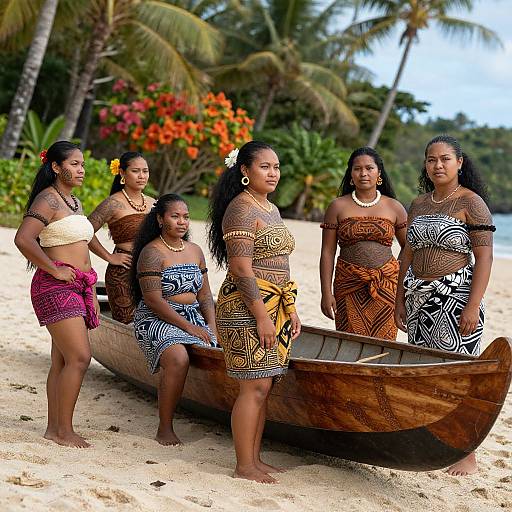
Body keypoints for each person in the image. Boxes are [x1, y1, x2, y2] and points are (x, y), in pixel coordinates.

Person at [395, 134, 494, 476]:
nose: (438, 165)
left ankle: (466, 454)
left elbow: (484, 257)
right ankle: (430, 443)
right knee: (422, 373)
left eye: (445, 159)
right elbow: (406, 254)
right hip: (418, 298)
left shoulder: (472, 202)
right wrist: (399, 299)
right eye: (431, 159)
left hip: (457, 299)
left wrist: (473, 304)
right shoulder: (419, 204)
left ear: (460, 163)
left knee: (458, 376)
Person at [208, 141, 301, 484]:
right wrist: (262, 315)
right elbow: (242, 268)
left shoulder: (270, 209)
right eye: (265, 166)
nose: (273, 173)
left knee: (266, 385)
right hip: (247, 306)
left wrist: (289, 309)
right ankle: (243, 465)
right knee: (255, 386)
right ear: (245, 171)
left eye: (276, 167)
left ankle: (255, 459)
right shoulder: (241, 209)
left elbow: (281, 265)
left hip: (275, 305)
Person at [14, 141, 99, 448]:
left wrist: (89, 292)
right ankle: (64, 430)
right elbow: (23, 238)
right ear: (55, 167)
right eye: (75, 164)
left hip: (78, 287)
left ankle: (55, 429)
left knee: (62, 360)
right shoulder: (48, 199)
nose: (81, 170)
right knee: (80, 357)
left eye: (83, 164)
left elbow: (82, 244)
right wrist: (53, 269)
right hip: (54, 286)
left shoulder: (73, 202)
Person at [131, 193, 217, 445]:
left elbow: (205, 294)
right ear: (160, 219)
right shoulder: (152, 253)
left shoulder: (195, 251)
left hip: (193, 315)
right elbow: (153, 300)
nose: (182, 222)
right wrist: (190, 328)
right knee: (179, 358)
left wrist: (211, 325)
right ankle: (165, 428)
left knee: (220, 346)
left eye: (186, 217)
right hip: (156, 317)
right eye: (175, 216)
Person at [320, 147, 407, 340]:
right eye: (357, 169)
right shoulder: (337, 206)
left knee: (384, 344)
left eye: (369, 168)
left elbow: (408, 247)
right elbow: (327, 252)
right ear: (351, 174)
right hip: (348, 285)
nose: (363, 173)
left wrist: (393, 269)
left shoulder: (394, 207)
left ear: (379, 173)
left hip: (386, 287)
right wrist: (326, 293)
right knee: (349, 343)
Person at [88, 152, 155, 323]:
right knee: (129, 323)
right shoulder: (113, 203)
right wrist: (109, 257)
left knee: (154, 320)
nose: (142, 176)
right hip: (123, 272)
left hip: (152, 270)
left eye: (145, 171)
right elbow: (84, 232)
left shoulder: (154, 203)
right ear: (123, 173)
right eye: (136, 171)